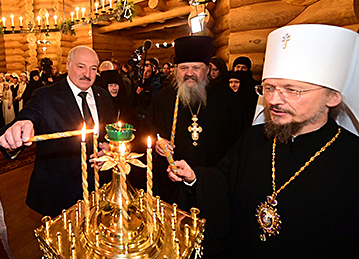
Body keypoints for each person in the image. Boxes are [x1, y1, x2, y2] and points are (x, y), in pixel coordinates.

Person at [171, 24, 359, 257]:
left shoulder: (353, 158)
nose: (273, 100)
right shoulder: (254, 138)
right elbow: (224, 180)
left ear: (332, 96)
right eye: (269, 88)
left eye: (292, 90)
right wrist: (195, 177)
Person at [146, 35, 244, 256]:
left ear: (207, 69)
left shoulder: (226, 99)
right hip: (173, 186)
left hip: (214, 186)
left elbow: (238, 142)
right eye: (183, 67)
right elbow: (150, 131)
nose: (189, 73)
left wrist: (212, 178)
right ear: (176, 70)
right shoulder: (164, 98)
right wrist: (158, 144)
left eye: (195, 67)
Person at [0, 46, 116, 217]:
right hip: (61, 191)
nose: (88, 74)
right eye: (80, 66)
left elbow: (110, 132)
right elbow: (28, 117)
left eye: (93, 68)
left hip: (99, 186)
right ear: (67, 65)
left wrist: (110, 149)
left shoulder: (103, 96)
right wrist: (20, 127)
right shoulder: (44, 96)